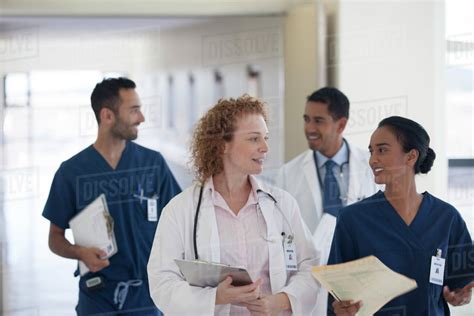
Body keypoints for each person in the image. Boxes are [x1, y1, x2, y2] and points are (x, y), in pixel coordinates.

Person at [147, 95, 320, 315]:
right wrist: (215, 297)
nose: (265, 147)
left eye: (265, 138)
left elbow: (310, 266)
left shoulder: (282, 204)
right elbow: (162, 282)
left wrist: (281, 301)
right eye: (254, 139)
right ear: (222, 145)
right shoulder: (180, 211)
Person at [42, 77, 181, 315]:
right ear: (107, 116)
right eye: (134, 110)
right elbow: (55, 238)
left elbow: (180, 223)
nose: (142, 118)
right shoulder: (72, 172)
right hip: (96, 296)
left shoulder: (152, 165)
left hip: (146, 296)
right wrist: (79, 252)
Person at [328, 116, 474, 315]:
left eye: (382, 150)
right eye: (371, 151)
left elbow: (461, 286)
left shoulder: (446, 218)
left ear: (411, 156)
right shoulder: (352, 219)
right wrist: (340, 309)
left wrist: (460, 296)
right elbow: (335, 297)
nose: (372, 160)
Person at [276, 87, 378, 315]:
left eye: (318, 121)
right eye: (306, 119)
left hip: (358, 280)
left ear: (340, 125)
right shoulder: (287, 174)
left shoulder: (371, 168)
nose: (309, 128)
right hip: (311, 281)